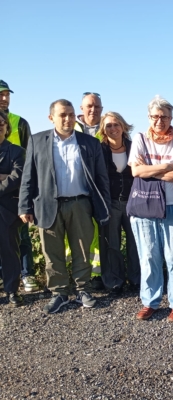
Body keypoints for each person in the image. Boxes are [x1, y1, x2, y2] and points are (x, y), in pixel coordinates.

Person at [18, 99, 111, 314]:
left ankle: (82, 289)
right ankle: (59, 292)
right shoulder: (37, 141)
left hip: (80, 204)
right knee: (53, 253)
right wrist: (24, 206)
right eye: (62, 115)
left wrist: (102, 206)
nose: (68, 119)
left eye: (70, 114)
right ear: (51, 117)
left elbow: (101, 178)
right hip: (47, 206)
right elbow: (28, 176)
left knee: (82, 249)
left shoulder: (89, 143)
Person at [128, 95, 173, 323]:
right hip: (144, 207)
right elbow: (135, 172)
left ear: (171, 118)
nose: (159, 121)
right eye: (155, 116)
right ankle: (150, 301)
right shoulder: (140, 139)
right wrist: (165, 166)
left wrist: (149, 169)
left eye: (164, 117)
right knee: (148, 256)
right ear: (149, 117)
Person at [0, 79, 39, 293]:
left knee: (21, 237)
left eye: (7, 94)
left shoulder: (19, 122)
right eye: (0, 94)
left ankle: (27, 274)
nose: (4, 98)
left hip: (15, 192)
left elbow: (27, 157)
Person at [98, 112, 140, 294]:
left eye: (116, 124)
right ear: (103, 129)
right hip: (110, 203)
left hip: (134, 202)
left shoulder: (134, 147)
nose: (113, 128)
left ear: (123, 126)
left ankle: (137, 279)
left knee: (136, 243)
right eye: (108, 125)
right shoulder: (99, 150)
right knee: (111, 245)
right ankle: (114, 281)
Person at [74, 92, 105, 290]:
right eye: (89, 106)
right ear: (81, 108)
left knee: (98, 235)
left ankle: (97, 275)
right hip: (76, 190)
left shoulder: (107, 127)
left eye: (97, 107)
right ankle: (75, 273)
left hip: (100, 191)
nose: (93, 110)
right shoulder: (70, 129)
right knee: (75, 235)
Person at [0, 110, 25, 306]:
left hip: (7, 211)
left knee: (9, 251)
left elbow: (16, 178)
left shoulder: (17, 151)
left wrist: (5, 179)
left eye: (1, 124)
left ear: (7, 128)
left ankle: (11, 290)